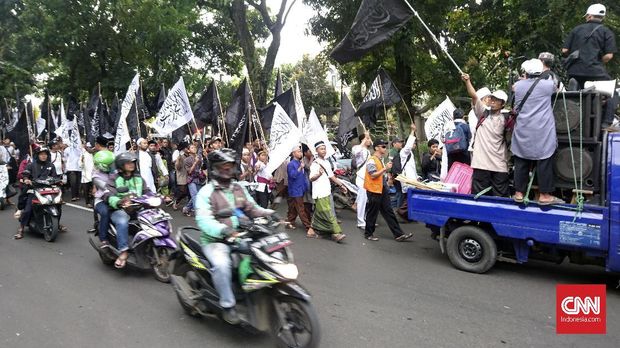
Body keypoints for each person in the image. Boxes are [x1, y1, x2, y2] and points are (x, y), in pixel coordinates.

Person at [195, 149, 276, 324]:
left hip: (241, 235)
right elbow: (203, 220)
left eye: (230, 166)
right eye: (223, 166)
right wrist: (223, 230)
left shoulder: (238, 188)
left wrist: (270, 213)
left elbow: (252, 208)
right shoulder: (206, 192)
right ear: (214, 168)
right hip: (216, 241)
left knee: (262, 256)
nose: (227, 170)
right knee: (222, 265)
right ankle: (228, 304)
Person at [512, 59, 563, 205]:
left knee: (521, 160)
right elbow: (557, 88)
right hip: (542, 130)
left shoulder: (518, 86)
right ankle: (544, 195)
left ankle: (519, 193)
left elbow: (516, 92)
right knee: (544, 160)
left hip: (523, 129)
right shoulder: (547, 85)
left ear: (525, 72)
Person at [562, 3, 617, 129]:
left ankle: (572, 118)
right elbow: (609, 56)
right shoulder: (606, 32)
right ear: (602, 17)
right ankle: (606, 122)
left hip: (575, 70)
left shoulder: (576, 30)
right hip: (595, 72)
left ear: (589, 16)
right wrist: (599, 60)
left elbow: (564, 50)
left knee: (577, 92)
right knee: (613, 92)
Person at [461, 73, 510, 197]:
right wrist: (467, 81)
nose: (493, 101)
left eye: (496, 100)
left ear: (502, 104)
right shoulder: (483, 113)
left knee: (500, 199)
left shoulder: (507, 118)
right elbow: (474, 96)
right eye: (492, 98)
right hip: (481, 164)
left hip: (499, 165)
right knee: (479, 197)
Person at [363, 139, 413, 242]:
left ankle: (398, 234)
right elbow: (373, 175)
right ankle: (368, 233)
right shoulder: (372, 160)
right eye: (383, 146)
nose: (385, 148)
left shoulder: (380, 159)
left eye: (385, 146)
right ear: (377, 148)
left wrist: (388, 178)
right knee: (373, 212)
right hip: (374, 190)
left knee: (389, 212)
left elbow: (381, 174)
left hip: (382, 189)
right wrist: (385, 168)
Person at [108, 152, 151, 269]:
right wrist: (120, 202)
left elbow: (147, 191)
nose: (132, 164)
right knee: (122, 221)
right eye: (128, 163)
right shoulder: (114, 178)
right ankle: (123, 251)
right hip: (120, 210)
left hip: (137, 208)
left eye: (133, 162)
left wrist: (158, 197)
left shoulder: (138, 178)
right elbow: (109, 195)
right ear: (121, 165)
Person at [15, 147, 60, 239]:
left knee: (58, 205)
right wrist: (27, 180)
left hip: (48, 190)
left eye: (45, 154)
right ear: (37, 155)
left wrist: (59, 180)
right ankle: (21, 228)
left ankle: (56, 223)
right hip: (34, 189)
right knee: (28, 209)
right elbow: (25, 174)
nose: (44, 156)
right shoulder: (31, 165)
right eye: (41, 154)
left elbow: (55, 177)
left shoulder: (51, 165)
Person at [308, 141, 347, 242]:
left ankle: (311, 230)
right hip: (320, 192)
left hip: (327, 191)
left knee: (320, 212)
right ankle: (336, 233)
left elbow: (332, 176)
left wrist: (341, 185)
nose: (324, 150)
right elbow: (311, 178)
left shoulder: (326, 162)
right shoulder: (315, 164)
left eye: (324, 148)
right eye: (321, 149)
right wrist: (319, 175)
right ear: (316, 151)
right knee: (328, 213)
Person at [285, 145, 312, 234]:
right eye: (298, 151)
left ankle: (290, 222)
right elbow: (292, 175)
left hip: (300, 189)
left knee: (293, 208)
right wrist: (300, 167)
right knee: (301, 209)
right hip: (295, 189)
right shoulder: (291, 164)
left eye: (300, 151)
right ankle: (308, 227)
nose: (300, 153)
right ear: (293, 153)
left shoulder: (301, 162)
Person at [396, 124, 420, 221]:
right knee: (408, 199)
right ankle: (401, 212)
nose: (414, 145)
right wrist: (412, 131)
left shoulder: (410, 154)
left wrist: (417, 177)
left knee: (409, 198)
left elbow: (412, 168)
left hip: (412, 180)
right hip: (407, 180)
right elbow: (408, 146)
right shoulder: (404, 152)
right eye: (414, 143)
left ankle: (406, 215)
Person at [92, 150, 116, 247]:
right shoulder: (96, 176)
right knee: (105, 213)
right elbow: (106, 187)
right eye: (110, 164)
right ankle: (103, 238)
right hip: (102, 200)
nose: (113, 165)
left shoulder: (116, 171)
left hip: (117, 197)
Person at [351, 131, 372, 229]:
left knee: (367, 200)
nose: (369, 140)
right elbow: (356, 152)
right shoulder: (356, 148)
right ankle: (360, 222)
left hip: (368, 178)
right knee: (362, 200)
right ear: (363, 140)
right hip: (361, 177)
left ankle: (364, 219)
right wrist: (364, 139)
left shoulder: (368, 151)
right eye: (367, 138)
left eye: (369, 138)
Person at [183, 144, 203, 216]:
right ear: (188, 150)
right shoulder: (186, 160)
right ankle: (197, 212)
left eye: (195, 147)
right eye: (192, 147)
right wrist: (195, 162)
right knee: (195, 195)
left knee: (199, 195)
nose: (194, 148)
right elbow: (189, 172)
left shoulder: (199, 157)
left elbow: (202, 167)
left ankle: (187, 208)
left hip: (199, 178)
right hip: (191, 179)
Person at [81, 142, 95, 208]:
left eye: (91, 147)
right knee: (86, 190)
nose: (90, 149)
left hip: (94, 175)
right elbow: (80, 165)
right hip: (85, 175)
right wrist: (81, 161)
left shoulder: (95, 154)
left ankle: (94, 202)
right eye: (88, 147)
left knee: (94, 189)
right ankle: (87, 202)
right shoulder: (83, 154)